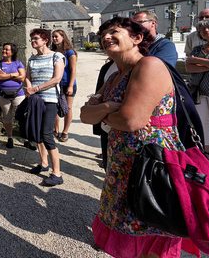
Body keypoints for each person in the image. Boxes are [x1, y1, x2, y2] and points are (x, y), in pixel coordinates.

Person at [80, 17, 193, 257]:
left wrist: (104, 112)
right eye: (102, 35)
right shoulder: (115, 76)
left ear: (137, 38)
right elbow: (85, 116)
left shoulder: (150, 65)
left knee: (153, 224)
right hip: (123, 162)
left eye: (114, 31)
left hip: (152, 160)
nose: (105, 37)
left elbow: (131, 121)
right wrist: (110, 107)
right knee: (129, 226)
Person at [24, 28, 65, 187]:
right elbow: (28, 77)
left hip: (50, 100)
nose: (33, 41)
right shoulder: (32, 59)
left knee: (47, 134)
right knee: (37, 132)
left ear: (45, 40)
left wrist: (35, 89)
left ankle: (57, 173)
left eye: (36, 38)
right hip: (35, 100)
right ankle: (43, 163)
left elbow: (57, 79)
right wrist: (29, 89)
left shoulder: (57, 56)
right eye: (32, 39)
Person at [185, 19, 209, 155]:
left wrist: (197, 61)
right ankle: (206, 154)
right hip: (199, 92)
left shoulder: (197, 54)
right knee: (202, 124)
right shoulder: (198, 49)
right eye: (202, 30)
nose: (206, 30)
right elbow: (189, 67)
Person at [0, 42, 26, 148]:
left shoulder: (18, 63)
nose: (4, 51)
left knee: (22, 117)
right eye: (3, 49)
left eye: (7, 49)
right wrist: (13, 74)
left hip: (18, 94)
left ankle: (26, 139)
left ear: (12, 52)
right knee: (7, 117)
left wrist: (6, 75)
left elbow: (22, 77)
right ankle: (10, 138)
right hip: (3, 95)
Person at [51, 29, 77, 142]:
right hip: (56, 83)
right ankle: (55, 129)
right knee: (55, 106)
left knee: (68, 108)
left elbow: (73, 69)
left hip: (67, 83)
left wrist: (70, 85)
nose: (54, 38)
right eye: (53, 37)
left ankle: (65, 131)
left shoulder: (70, 52)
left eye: (56, 36)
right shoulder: (52, 52)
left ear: (63, 37)